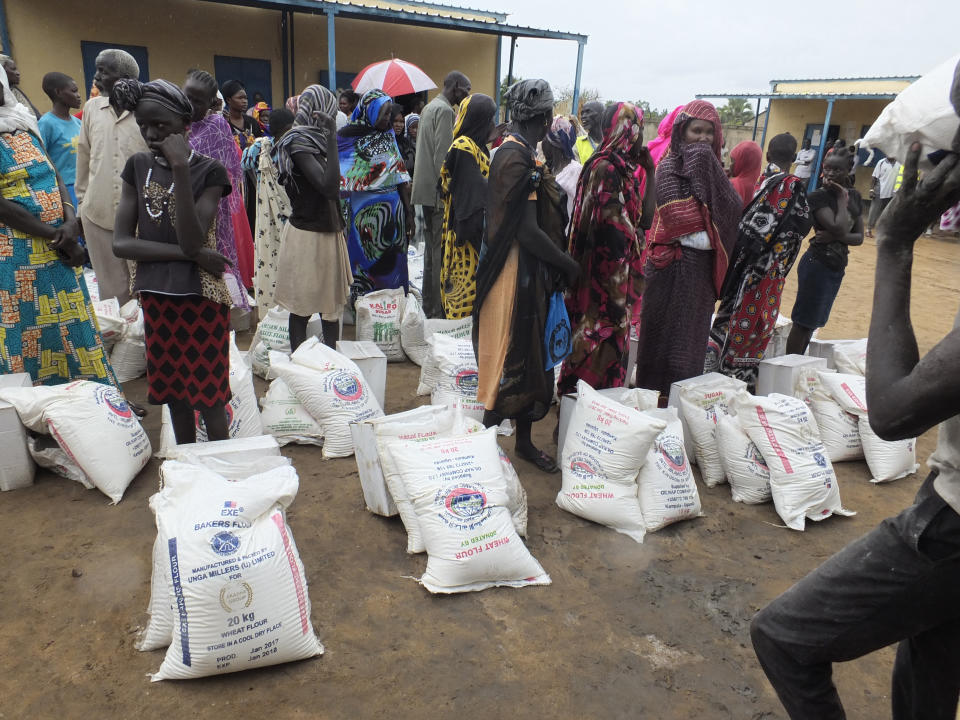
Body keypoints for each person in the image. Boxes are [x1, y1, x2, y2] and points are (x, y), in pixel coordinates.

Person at [751, 134, 960, 719]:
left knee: (783, 637)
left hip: (952, 524)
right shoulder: (820, 195)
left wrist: (894, 242)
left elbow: (892, 415)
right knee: (930, 659)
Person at [112, 78, 234, 445]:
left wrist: (180, 168)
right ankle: (188, 465)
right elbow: (121, 243)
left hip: (199, 300)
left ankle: (220, 471)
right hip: (156, 298)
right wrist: (192, 256)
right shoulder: (136, 167)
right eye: (143, 125)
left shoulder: (210, 171)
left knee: (210, 398)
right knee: (175, 397)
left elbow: (192, 237)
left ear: (185, 123)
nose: (150, 134)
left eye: (160, 125)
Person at [473, 79, 579, 473]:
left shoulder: (522, 152)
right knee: (507, 357)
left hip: (526, 272)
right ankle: (481, 448)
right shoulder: (514, 157)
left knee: (530, 356)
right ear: (548, 117)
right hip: (511, 273)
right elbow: (526, 231)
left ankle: (522, 443)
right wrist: (567, 264)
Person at [0, 65, 117, 387]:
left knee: (75, 321)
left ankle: (96, 391)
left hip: (60, 246)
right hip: (18, 255)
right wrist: (57, 235)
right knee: (28, 330)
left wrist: (69, 222)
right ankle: (34, 403)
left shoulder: (22, 121)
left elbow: (53, 174)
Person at [636, 100, 741, 399]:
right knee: (659, 344)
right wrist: (714, 223)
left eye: (710, 132)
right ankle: (650, 405)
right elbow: (681, 222)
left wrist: (710, 223)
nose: (704, 138)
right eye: (697, 130)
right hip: (670, 271)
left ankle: (676, 409)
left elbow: (730, 212)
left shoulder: (716, 174)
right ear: (682, 132)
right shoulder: (669, 167)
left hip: (700, 278)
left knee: (688, 347)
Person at [557, 102, 655, 396]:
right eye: (638, 127)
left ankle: (591, 422)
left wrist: (650, 169)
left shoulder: (624, 169)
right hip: (602, 283)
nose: (640, 136)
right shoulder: (606, 168)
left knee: (605, 351)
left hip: (614, 281)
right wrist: (620, 289)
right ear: (630, 129)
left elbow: (645, 221)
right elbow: (615, 234)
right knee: (594, 346)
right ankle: (575, 422)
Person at [705, 133, 813, 389]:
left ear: (767, 155)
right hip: (764, 275)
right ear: (796, 157)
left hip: (741, 268)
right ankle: (735, 382)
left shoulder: (763, 182)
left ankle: (713, 374)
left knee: (728, 319)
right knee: (751, 326)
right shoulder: (791, 185)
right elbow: (796, 230)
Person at [273, 85, 351, 352]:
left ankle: (331, 366)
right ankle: (300, 364)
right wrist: (331, 138)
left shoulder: (316, 141)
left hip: (329, 232)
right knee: (302, 307)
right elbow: (329, 188)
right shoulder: (298, 142)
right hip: (306, 236)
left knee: (330, 310)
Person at [76, 48, 147, 306]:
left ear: (124, 76)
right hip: (97, 213)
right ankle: (119, 341)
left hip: (142, 219)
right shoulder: (92, 108)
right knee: (111, 291)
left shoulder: (146, 109)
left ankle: (143, 342)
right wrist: (82, 205)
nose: (96, 77)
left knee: (143, 287)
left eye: (104, 71)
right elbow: (84, 156)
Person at [183, 69, 253, 307]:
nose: (190, 105)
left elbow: (228, 168)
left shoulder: (216, 126)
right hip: (178, 203)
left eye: (198, 101)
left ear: (211, 103)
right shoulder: (172, 124)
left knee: (210, 264)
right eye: (187, 97)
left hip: (211, 207)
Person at [785, 149, 863, 355]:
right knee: (802, 323)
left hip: (836, 266)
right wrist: (841, 197)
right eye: (827, 168)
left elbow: (859, 237)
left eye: (837, 169)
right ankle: (788, 366)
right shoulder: (817, 196)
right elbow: (839, 227)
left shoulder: (855, 196)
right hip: (816, 264)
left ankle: (796, 365)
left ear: (848, 170)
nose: (830, 174)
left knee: (813, 323)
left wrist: (836, 236)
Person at [338, 89, 413, 302]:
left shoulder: (387, 136)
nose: (388, 119)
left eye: (390, 114)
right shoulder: (345, 137)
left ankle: (393, 308)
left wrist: (408, 213)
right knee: (364, 261)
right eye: (385, 114)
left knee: (394, 263)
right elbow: (339, 179)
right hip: (362, 214)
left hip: (394, 213)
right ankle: (363, 310)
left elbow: (399, 176)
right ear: (370, 111)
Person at [412, 71, 471, 318]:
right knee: (438, 254)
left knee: (429, 254)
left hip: (424, 191)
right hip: (437, 193)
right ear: (456, 87)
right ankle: (437, 310)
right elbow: (443, 158)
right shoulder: (446, 111)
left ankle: (428, 305)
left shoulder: (429, 108)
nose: (467, 96)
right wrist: (449, 193)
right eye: (466, 90)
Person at [438, 93, 497, 319]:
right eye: (490, 119)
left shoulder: (478, 147)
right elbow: (470, 204)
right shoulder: (463, 147)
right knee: (463, 310)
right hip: (467, 241)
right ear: (478, 121)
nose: (493, 124)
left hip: (476, 237)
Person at [241, 108, 293, 316]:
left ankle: (282, 310)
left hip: (280, 217)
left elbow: (245, 163)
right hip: (278, 217)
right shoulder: (267, 147)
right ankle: (280, 311)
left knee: (281, 262)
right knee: (280, 262)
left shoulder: (265, 147)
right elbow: (244, 163)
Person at [38, 73, 83, 208]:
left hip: (83, 186)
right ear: (58, 92)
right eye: (74, 91)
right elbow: (41, 159)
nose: (78, 95)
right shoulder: (46, 124)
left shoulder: (78, 123)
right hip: (64, 190)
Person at [541, 115, 582, 226]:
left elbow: (578, 211)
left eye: (545, 139)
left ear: (553, 143)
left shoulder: (575, 171)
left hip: (564, 237)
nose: (542, 144)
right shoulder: (548, 168)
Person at [867, 153, 901, 237]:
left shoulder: (900, 164)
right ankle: (868, 229)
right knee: (874, 211)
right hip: (879, 191)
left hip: (893, 193)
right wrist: (871, 190)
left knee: (889, 214)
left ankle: (884, 232)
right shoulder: (881, 162)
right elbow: (874, 177)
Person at [221, 80, 261, 150]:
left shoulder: (252, 123)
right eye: (240, 98)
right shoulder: (223, 124)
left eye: (245, 98)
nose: (244, 101)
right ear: (228, 100)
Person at [0, 55, 40, 119]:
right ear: (2, 72)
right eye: (13, 69)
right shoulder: (3, 96)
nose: (18, 73)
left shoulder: (14, 90)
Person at [728, 140, 763, 207]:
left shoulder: (734, 185)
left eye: (732, 161)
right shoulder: (759, 186)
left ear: (742, 163)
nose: (730, 165)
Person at [575, 101, 603, 165]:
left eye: (588, 112)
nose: (583, 116)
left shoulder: (613, 144)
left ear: (602, 114)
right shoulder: (577, 143)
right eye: (582, 113)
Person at [403, 112, 419, 179]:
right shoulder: (404, 144)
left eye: (418, 127)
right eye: (412, 127)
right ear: (407, 128)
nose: (415, 130)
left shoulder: (424, 143)